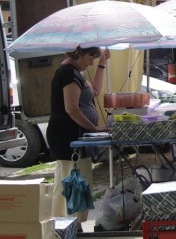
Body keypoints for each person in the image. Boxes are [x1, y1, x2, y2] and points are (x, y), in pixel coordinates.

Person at [46, 46, 110, 228]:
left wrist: (102, 64)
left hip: (75, 136)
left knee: (68, 181)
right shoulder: (68, 73)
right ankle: (70, 225)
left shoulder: (76, 73)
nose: (91, 62)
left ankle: (65, 225)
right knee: (74, 183)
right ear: (79, 53)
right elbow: (72, 109)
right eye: (90, 57)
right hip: (68, 136)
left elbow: (94, 92)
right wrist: (94, 129)